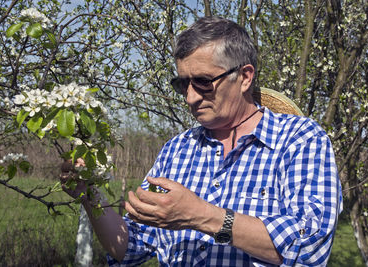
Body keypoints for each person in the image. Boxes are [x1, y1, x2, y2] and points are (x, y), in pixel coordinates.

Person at [61, 16, 342, 266]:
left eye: (204, 82)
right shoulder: (177, 149)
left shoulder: (299, 139)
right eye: (183, 84)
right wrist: (90, 194)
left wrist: (201, 216)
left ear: (245, 77)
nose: (190, 97)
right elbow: (131, 247)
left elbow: (310, 247)